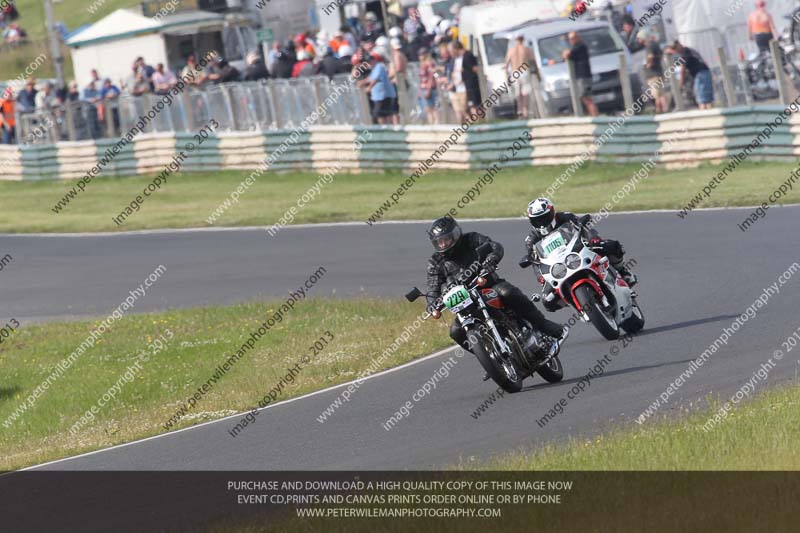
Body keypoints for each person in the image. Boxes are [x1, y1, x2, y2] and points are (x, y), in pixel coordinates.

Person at [425, 216, 569, 359]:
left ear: (455, 234)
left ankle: (543, 325)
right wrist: (432, 304)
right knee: (455, 331)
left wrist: (491, 259)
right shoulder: (435, 262)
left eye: (446, 239)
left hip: (489, 285)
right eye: (439, 242)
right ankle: (490, 357)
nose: (443, 244)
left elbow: (494, 246)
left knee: (508, 293)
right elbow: (432, 286)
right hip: (465, 303)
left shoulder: (471, 239)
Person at [524, 198, 637, 313]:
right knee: (548, 301)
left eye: (544, 217)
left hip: (579, 250)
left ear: (552, 213)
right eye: (536, 220)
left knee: (611, 246)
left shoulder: (565, 217)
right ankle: (575, 300)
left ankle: (623, 272)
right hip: (556, 267)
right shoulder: (531, 239)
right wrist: (541, 278)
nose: (541, 222)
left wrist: (593, 239)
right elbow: (534, 261)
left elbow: (585, 226)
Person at [667, 40, 713, 109]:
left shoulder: (685, 52)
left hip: (700, 74)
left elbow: (683, 69)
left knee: (702, 99)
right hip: (703, 72)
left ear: (679, 45)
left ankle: (704, 115)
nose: (675, 50)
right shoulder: (689, 51)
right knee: (706, 99)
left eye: (675, 48)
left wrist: (681, 83)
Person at [563, 31, 598, 116]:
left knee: (586, 97)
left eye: (572, 38)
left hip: (584, 76)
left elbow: (567, 55)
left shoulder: (580, 46)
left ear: (577, 38)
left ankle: (595, 115)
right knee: (585, 97)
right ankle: (593, 114)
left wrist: (566, 53)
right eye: (570, 39)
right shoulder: (577, 47)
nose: (571, 41)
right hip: (582, 76)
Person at [359, 52, 398, 124]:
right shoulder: (373, 69)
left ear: (374, 60)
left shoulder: (379, 66)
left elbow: (375, 79)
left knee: (378, 115)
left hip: (385, 96)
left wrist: (369, 88)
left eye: (370, 61)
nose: (369, 63)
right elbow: (370, 78)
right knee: (382, 115)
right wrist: (362, 82)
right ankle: (385, 130)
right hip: (378, 97)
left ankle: (389, 130)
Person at [504, 35, 536, 118]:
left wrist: (507, 77)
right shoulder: (526, 49)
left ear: (516, 40)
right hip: (524, 70)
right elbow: (533, 61)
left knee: (518, 92)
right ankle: (525, 111)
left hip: (515, 72)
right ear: (523, 40)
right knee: (525, 92)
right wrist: (537, 74)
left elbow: (506, 65)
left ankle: (519, 110)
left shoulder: (511, 50)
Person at [450, 40, 482, 119]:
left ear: (456, 49)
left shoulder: (467, 56)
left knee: (474, 105)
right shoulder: (460, 58)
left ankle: (478, 121)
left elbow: (474, 68)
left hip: (472, 84)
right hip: (466, 85)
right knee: (468, 107)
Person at [638, 30, 667, 113]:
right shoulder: (655, 44)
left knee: (657, 95)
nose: (638, 40)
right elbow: (661, 55)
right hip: (659, 72)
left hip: (653, 74)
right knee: (660, 93)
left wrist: (648, 64)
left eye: (639, 38)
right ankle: (664, 110)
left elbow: (650, 56)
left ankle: (661, 111)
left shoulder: (649, 45)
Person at [417, 48, 438, 124]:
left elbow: (431, 77)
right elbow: (421, 79)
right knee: (427, 108)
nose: (420, 56)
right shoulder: (421, 65)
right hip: (423, 88)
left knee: (432, 107)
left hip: (429, 88)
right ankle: (431, 124)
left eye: (422, 54)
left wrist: (429, 89)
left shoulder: (429, 63)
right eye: (419, 54)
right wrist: (419, 91)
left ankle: (436, 124)